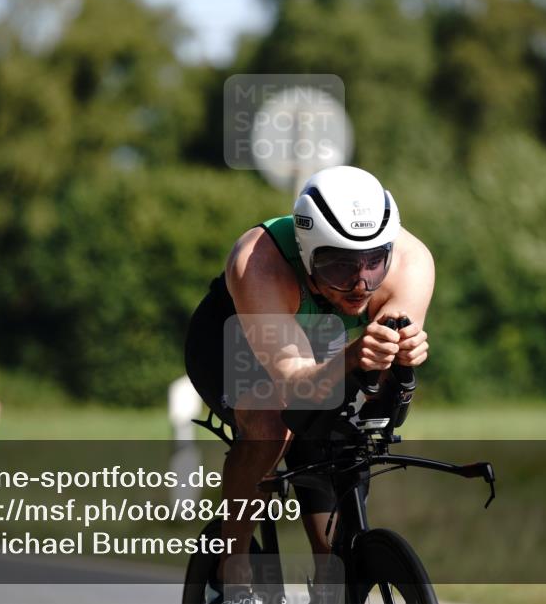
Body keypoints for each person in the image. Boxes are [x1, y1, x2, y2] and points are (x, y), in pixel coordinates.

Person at [185, 165, 434, 604]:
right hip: (237, 340)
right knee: (270, 425)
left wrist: (400, 356)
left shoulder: (411, 263)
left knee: (341, 442)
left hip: (327, 347)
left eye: (374, 263)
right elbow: (292, 382)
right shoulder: (259, 262)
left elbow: (376, 388)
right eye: (339, 266)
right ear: (306, 252)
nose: (360, 284)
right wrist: (353, 355)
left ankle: (331, 581)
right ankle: (233, 572)